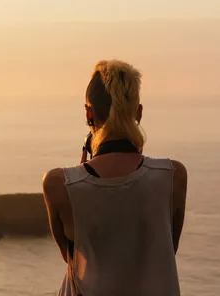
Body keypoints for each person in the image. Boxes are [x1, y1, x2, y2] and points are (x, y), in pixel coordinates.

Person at [42, 60, 188, 296]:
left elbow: (74, 260)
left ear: (89, 114)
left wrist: (83, 171)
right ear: (138, 113)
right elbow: (165, 249)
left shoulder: (58, 184)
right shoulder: (173, 177)